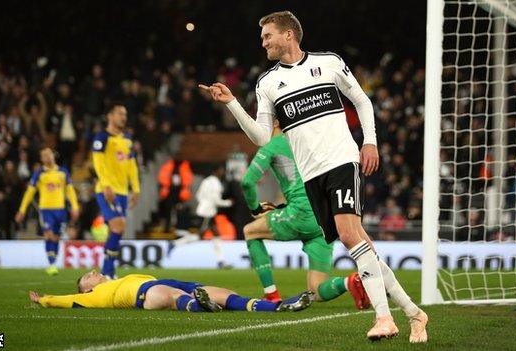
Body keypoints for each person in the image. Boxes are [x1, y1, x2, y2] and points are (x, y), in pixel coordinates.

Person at [200, 11, 428, 342]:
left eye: (268, 36)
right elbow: (263, 137)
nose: (262, 42)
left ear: (288, 35)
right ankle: (414, 314)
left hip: (341, 161)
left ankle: (384, 318)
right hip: (312, 176)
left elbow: (362, 102)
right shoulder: (266, 84)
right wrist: (233, 103)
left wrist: (370, 142)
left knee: (350, 236)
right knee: (363, 245)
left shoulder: (329, 63)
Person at [241, 120, 370, 309]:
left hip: (302, 212)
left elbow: (247, 182)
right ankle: (350, 282)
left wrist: (255, 210)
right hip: (324, 218)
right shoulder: (309, 141)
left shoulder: (273, 144)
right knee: (317, 290)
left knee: (250, 231)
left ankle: (271, 295)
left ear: (276, 122)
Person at [28, 270, 313, 313]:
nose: (93, 271)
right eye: (88, 276)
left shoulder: (118, 277)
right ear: (87, 288)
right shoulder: (92, 296)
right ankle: (199, 305)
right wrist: (45, 300)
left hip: (162, 281)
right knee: (173, 295)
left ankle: (273, 306)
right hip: (145, 293)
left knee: (220, 291)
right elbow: (65, 299)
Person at [92, 103, 140, 278]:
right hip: (107, 190)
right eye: (120, 113)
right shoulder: (102, 137)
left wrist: (135, 188)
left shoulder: (127, 139)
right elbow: (97, 163)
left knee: (117, 230)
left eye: (125, 114)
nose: (123, 117)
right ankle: (106, 271)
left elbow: (132, 165)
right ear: (110, 116)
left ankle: (109, 271)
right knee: (118, 226)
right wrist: (106, 185)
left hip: (122, 192)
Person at [15, 147, 80, 276]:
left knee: (56, 238)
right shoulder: (39, 174)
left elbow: (70, 191)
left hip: (60, 211)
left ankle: (53, 262)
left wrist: (75, 207)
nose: (47, 157)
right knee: (49, 235)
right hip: (45, 211)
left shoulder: (63, 172)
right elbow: (29, 192)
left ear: (53, 155)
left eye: (48, 154)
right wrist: (22, 210)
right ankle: (51, 264)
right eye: (44, 155)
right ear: (41, 159)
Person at [173, 165, 233, 269]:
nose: (222, 172)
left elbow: (198, 195)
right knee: (199, 236)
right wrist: (228, 203)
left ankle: (221, 261)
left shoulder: (206, 181)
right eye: (221, 170)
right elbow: (216, 201)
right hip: (208, 212)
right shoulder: (216, 183)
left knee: (216, 233)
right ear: (216, 171)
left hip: (204, 210)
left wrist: (203, 203)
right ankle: (175, 244)